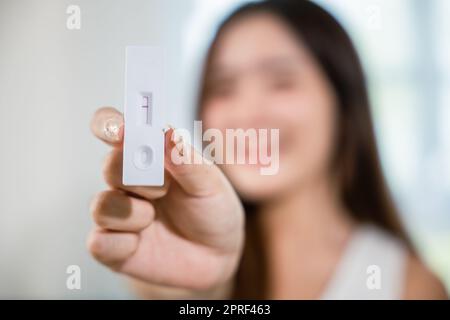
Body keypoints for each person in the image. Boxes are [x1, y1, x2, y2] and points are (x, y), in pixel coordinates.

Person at [88, 0, 447, 299]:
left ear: (344, 103)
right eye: (224, 87)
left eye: (282, 81)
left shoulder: (409, 286)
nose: (248, 114)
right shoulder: (177, 261)